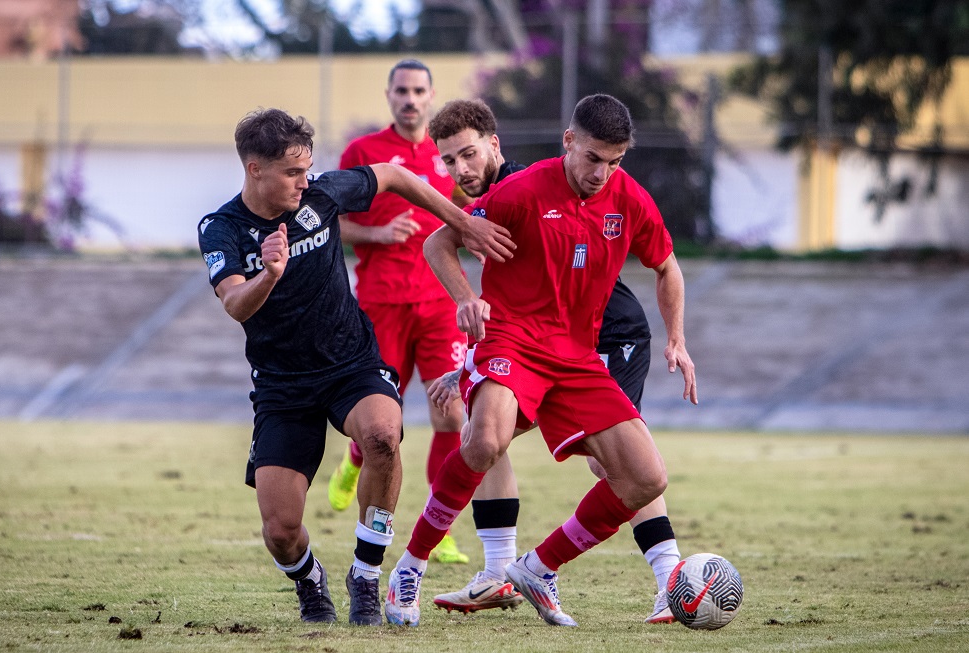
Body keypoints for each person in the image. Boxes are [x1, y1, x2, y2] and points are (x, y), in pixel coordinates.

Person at [384, 94, 697, 628]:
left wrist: (678, 339)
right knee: (485, 441)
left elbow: (668, 267)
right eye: (594, 158)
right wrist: (466, 298)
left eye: (615, 162)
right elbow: (440, 243)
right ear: (569, 141)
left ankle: (537, 568)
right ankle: (409, 570)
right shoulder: (521, 191)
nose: (603, 173)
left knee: (646, 477)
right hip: (512, 340)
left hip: (579, 355)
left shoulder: (630, 199)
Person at [196, 108, 513, 627]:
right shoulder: (222, 228)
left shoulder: (320, 193)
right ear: (255, 169)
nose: (305, 181)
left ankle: (366, 574)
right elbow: (235, 305)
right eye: (292, 172)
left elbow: (394, 175)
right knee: (280, 530)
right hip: (282, 386)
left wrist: (461, 221)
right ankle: (309, 579)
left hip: (351, 363)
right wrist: (270, 274)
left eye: (307, 169)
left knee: (384, 436)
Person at [326, 59, 471, 565]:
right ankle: (351, 461)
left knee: (452, 411)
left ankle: (442, 524)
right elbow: (328, 223)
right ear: (389, 95)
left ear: (432, 96)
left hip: (437, 307)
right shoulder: (362, 153)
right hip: (380, 304)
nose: (410, 99)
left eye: (419, 91)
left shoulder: (446, 154)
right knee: (379, 425)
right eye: (402, 90)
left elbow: (467, 210)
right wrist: (377, 235)